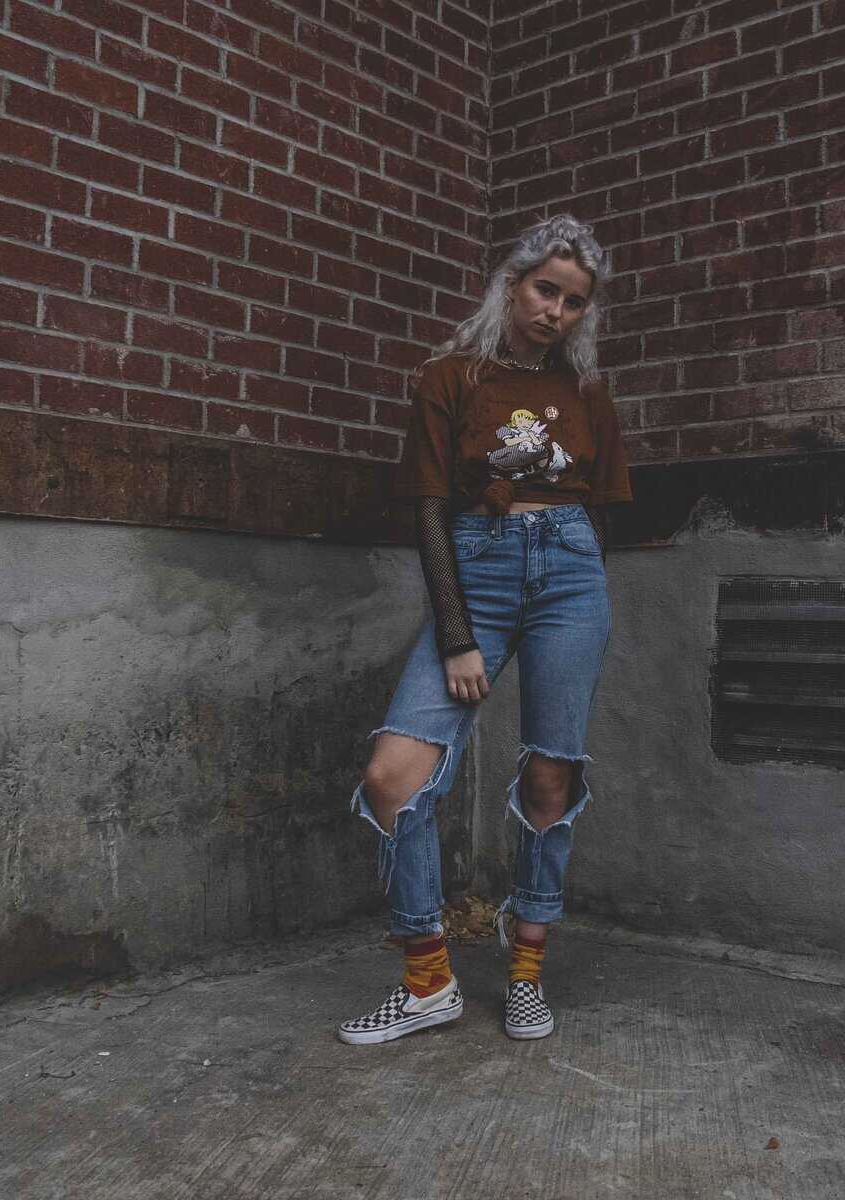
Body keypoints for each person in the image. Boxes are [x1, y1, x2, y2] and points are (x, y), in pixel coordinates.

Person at [337, 214, 631, 1045]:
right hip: (477, 570)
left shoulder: (588, 392)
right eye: (545, 290)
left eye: (574, 302)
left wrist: (576, 572)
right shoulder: (450, 378)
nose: (555, 313)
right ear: (512, 284)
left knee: (550, 778)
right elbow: (430, 510)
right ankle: (429, 983)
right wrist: (457, 632)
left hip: (570, 576)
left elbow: (599, 514)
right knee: (393, 776)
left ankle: (527, 973)